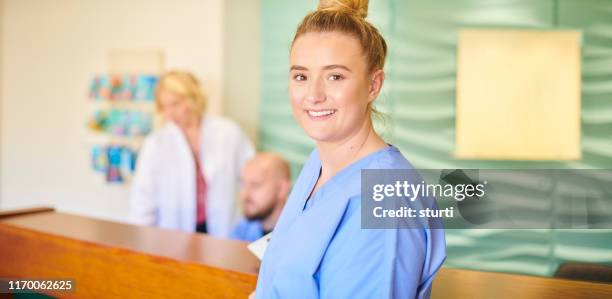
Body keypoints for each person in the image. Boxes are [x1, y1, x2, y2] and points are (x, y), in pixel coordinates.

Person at [253, 0, 446, 298]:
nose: (314, 95)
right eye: (301, 76)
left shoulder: (387, 203)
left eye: (335, 76)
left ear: (373, 85)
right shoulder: (317, 161)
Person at [129, 70, 254, 237]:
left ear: (193, 98)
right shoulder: (156, 143)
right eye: (164, 107)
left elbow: (252, 181)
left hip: (224, 230)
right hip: (173, 233)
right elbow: (142, 199)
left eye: (175, 104)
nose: (169, 114)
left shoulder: (228, 133)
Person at [230, 152, 291, 242]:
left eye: (255, 185)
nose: (244, 194)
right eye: (243, 184)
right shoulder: (244, 228)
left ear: (282, 189)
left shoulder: (297, 236)